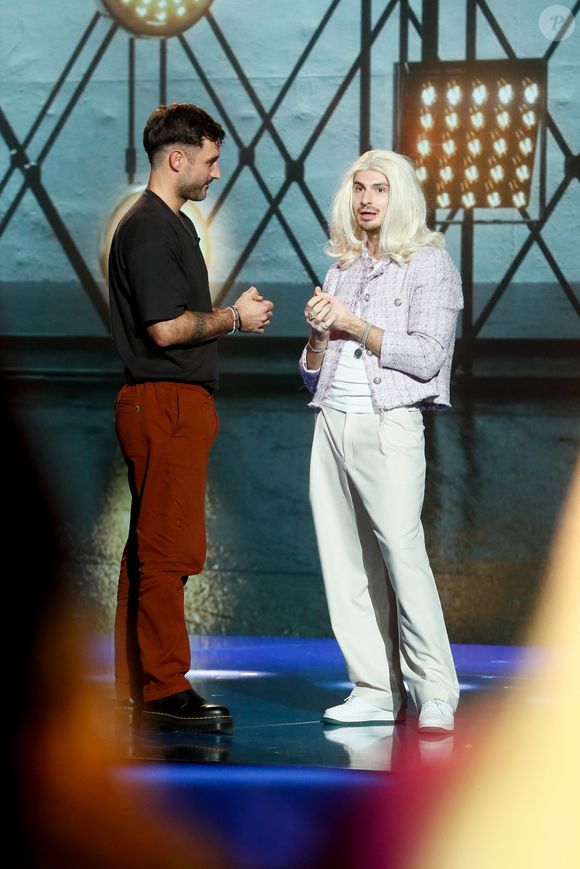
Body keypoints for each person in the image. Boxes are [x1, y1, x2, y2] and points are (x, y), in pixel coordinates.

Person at [109, 103, 273, 732]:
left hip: (167, 403)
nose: (215, 172)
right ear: (176, 158)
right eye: (208, 159)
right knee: (168, 550)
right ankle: (163, 690)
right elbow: (167, 327)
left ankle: (140, 684)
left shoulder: (166, 225)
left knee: (149, 552)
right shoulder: (150, 228)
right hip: (165, 404)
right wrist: (235, 318)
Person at [300, 149, 462, 733]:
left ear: (401, 197)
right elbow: (311, 373)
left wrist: (353, 325)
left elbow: (427, 356)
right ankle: (374, 686)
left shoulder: (428, 264)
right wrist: (318, 338)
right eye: (360, 188)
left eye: (380, 189)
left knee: (402, 553)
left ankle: (435, 690)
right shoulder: (343, 266)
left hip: (389, 421)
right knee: (344, 561)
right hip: (331, 422)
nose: (367, 199)